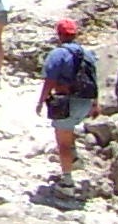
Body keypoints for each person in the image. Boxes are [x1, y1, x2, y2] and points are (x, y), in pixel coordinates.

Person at [37, 18, 100, 187]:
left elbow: (50, 80)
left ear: (59, 35)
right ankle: (74, 159)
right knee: (70, 129)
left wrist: (41, 101)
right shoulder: (88, 54)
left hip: (66, 102)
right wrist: (95, 103)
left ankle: (67, 182)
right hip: (86, 101)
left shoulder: (58, 53)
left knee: (63, 143)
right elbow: (94, 78)